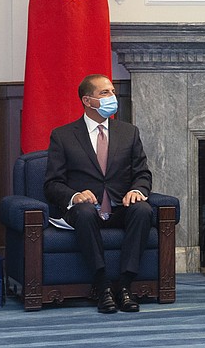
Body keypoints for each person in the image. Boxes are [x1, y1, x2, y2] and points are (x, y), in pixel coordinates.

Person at [44, 74, 153, 314]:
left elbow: (143, 174)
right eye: (105, 93)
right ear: (87, 100)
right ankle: (102, 285)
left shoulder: (129, 132)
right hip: (86, 212)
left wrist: (137, 190)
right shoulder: (63, 136)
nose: (112, 97)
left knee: (143, 209)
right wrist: (74, 196)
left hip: (119, 208)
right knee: (82, 212)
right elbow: (52, 183)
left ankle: (125, 285)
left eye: (113, 92)